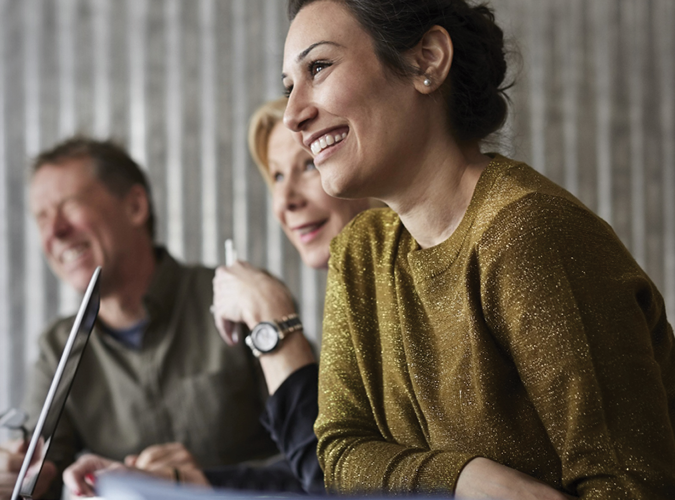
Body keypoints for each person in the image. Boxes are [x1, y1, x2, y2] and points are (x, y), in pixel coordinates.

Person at [282, 0, 675, 497]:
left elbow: (631, 485)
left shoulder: (528, 231)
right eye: (288, 86)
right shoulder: (361, 252)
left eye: (319, 67)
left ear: (427, 60)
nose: (294, 115)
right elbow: (339, 452)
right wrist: (466, 479)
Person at [62, 98, 372, 496]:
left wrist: (272, 322)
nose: (285, 200)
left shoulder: (396, 299)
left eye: (308, 165)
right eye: (276, 177)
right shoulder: (353, 303)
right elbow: (312, 470)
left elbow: (333, 483)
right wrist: (186, 482)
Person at [0, 137, 284, 499]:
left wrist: (202, 481)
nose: (54, 231)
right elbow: (38, 478)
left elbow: (318, 458)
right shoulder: (58, 347)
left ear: (136, 206)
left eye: (69, 206)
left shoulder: (241, 298)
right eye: (41, 217)